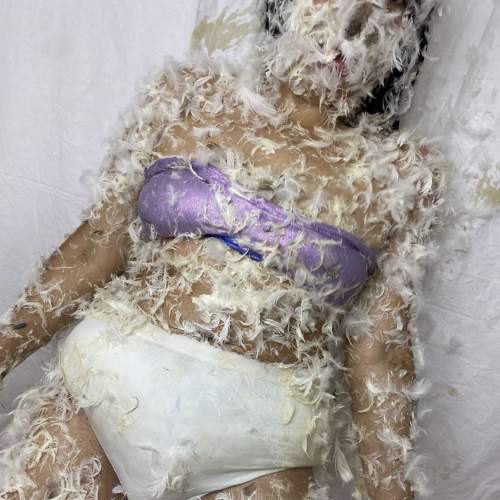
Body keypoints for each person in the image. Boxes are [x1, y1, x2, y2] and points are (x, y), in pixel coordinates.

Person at [0, 1, 445, 498]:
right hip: (102, 391)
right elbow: (96, 249)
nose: (353, 22)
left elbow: (380, 353)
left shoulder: (403, 176)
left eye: (385, 4)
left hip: (258, 448)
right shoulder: (187, 97)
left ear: (408, 37)